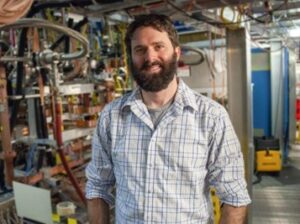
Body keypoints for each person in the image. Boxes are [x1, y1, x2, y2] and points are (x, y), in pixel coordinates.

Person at [85, 14, 251, 224]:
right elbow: (98, 186)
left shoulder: (211, 117)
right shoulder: (111, 117)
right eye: (140, 50)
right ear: (131, 58)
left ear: (176, 51)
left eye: (158, 46)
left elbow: (234, 196)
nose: (150, 57)